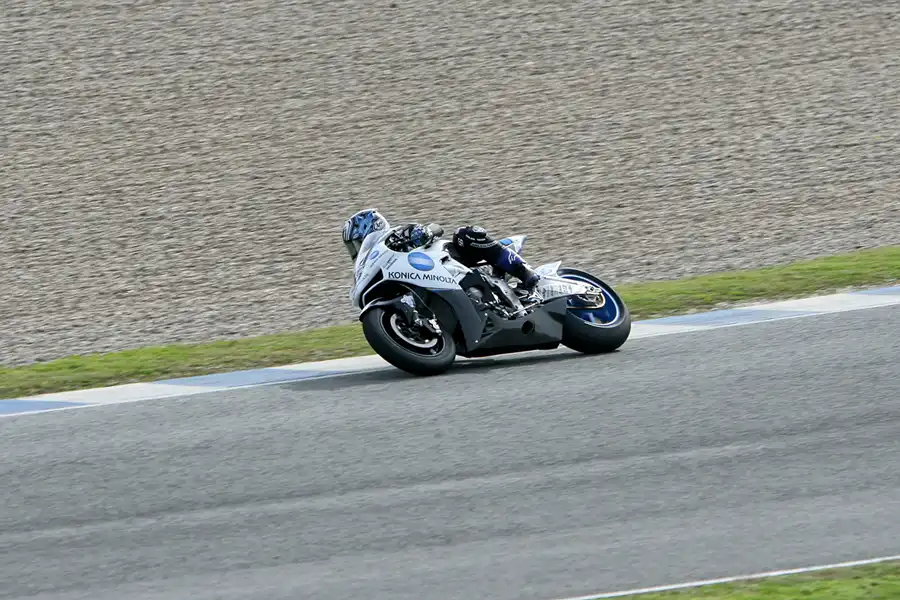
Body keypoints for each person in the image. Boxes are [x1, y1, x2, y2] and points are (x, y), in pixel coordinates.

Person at [341, 208, 541, 296]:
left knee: (466, 234)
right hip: (431, 284)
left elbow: (435, 229)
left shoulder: (398, 236)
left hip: (455, 262)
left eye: (358, 242)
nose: (357, 250)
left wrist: (424, 232)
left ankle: (524, 271)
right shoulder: (380, 265)